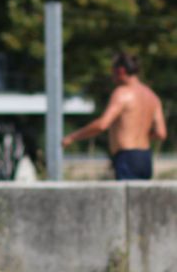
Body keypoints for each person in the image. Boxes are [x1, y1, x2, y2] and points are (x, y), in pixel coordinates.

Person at [62, 52, 167, 180]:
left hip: (127, 156)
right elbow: (161, 133)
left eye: (113, 72)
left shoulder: (122, 93)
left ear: (121, 71)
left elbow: (102, 125)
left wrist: (72, 137)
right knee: (141, 199)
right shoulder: (152, 96)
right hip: (145, 158)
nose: (112, 77)